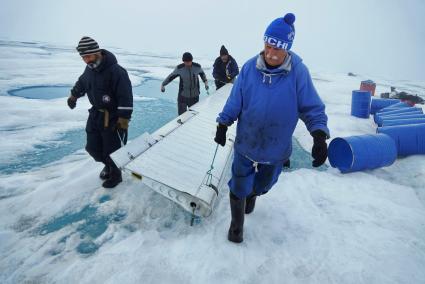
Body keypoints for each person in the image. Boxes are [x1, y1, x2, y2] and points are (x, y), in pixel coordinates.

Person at [214, 13, 329, 243]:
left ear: (287, 49)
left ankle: (254, 193)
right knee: (238, 183)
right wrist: (223, 123)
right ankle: (236, 226)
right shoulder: (248, 69)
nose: (271, 53)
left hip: (275, 148)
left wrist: (318, 136)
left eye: (277, 49)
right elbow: (235, 100)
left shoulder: (298, 73)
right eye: (267, 46)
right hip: (247, 141)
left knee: (264, 184)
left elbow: (312, 108)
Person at [67, 36, 133, 188]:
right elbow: (82, 82)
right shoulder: (89, 69)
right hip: (96, 114)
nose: (86, 60)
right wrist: (73, 96)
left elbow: (125, 96)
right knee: (92, 147)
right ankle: (108, 165)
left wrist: (123, 120)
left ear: (97, 53)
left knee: (112, 149)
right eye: (83, 57)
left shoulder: (117, 71)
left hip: (112, 117)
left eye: (88, 56)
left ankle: (116, 176)